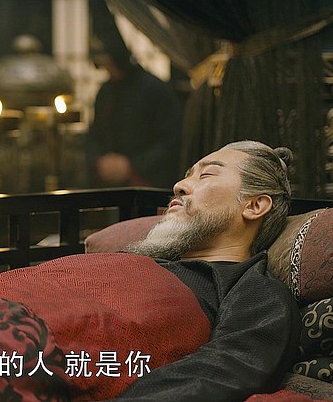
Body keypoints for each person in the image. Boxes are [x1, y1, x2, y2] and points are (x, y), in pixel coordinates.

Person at [87, 140, 299, 401]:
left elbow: (217, 374)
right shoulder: (140, 263)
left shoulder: (256, 292)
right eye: (187, 175)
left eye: (206, 174)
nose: (179, 185)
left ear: (254, 206)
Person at [86, 35, 183, 189]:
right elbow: (94, 135)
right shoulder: (106, 91)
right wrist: (99, 162)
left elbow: (170, 140)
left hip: (146, 177)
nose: (107, 68)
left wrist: (132, 166)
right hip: (108, 179)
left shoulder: (154, 89)